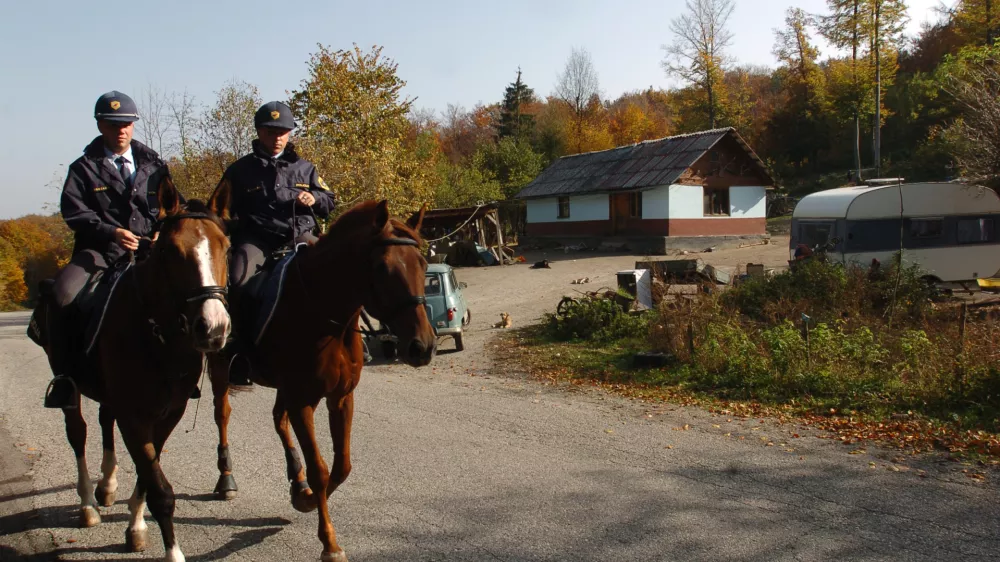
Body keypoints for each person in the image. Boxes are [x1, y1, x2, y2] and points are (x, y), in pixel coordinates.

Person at [43, 91, 172, 409]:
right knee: (61, 294)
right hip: (98, 253)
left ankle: (183, 370)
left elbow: (171, 205)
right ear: (101, 125)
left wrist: (161, 233)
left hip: (148, 252)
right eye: (114, 124)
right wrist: (111, 232)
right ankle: (65, 378)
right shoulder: (83, 168)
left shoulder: (155, 165)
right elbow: (74, 212)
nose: (121, 130)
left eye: (127, 123)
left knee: (191, 288)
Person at [217, 101, 336, 383]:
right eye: (271, 131)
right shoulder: (239, 171)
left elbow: (330, 200)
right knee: (238, 279)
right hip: (257, 241)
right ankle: (240, 353)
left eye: (283, 131)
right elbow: (219, 211)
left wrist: (315, 198)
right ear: (259, 132)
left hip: (300, 235)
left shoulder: (306, 169)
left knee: (333, 272)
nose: (277, 137)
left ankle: (345, 340)